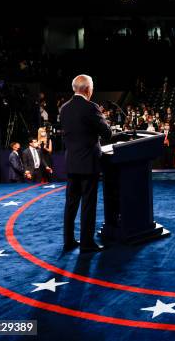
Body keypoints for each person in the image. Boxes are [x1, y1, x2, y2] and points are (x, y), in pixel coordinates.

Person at [60, 74, 112, 253]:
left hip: (72, 163)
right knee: (88, 204)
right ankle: (87, 243)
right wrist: (104, 121)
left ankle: (68, 241)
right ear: (88, 89)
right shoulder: (91, 107)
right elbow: (107, 133)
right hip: (88, 164)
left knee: (71, 203)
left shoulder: (64, 108)